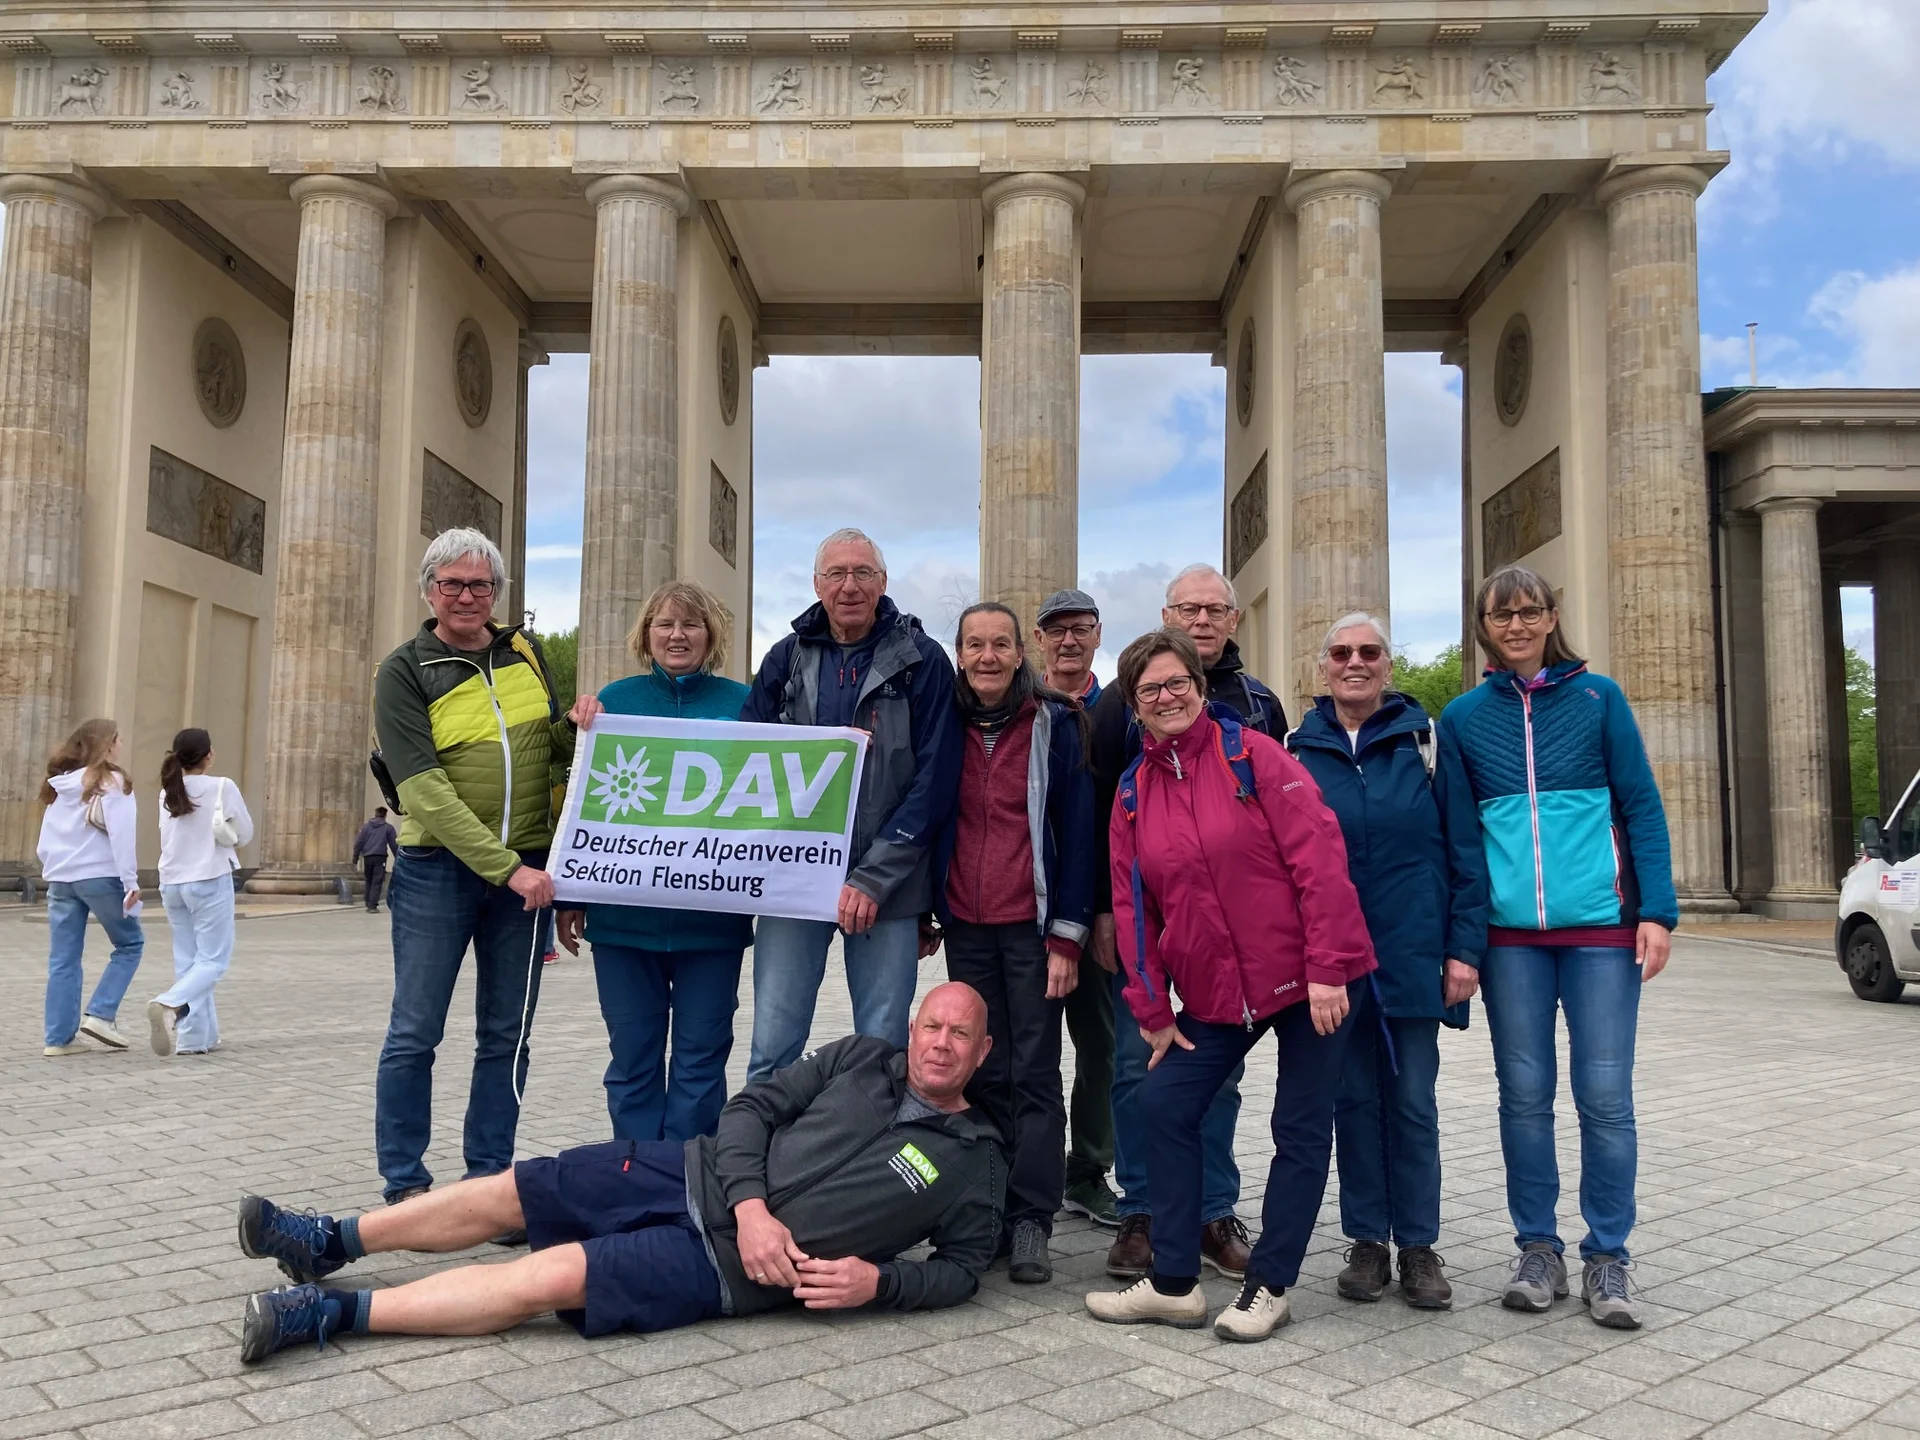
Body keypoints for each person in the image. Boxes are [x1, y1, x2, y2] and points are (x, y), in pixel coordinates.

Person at [232, 984, 1005, 1363]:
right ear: (913, 1028)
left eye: (958, 1034)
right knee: (517, 1192)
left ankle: (330, 1314)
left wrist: (881, 1286)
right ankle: (326, 1238)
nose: (940, 1043)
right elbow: (748, 1113)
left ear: (981, 1051)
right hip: (686, 1174)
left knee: (550, 1276)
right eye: (931, 1025)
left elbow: (966, 1270)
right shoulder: (860, 1057)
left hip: (723, 1272)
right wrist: (751, 1206)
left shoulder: (973, 1157)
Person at [1085, 629, 1374, 1341]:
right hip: (1219, 992)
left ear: (1200, 686)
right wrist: (1151, 1009)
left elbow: (1319, 857)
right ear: (1136, 707)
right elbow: (1134, 908)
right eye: (1150, 690)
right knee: (1164, 1102)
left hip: (1312, 976)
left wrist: (1330, 966)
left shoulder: (1254, 754)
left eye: (1177, 682)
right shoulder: (1131, 793)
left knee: (1299, 1127)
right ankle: (1177, 1282)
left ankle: (1270, 1284)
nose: (1166, 697)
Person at [1440, 564, 1677, 1331]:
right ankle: (1537, 1249)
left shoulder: (1598, 699)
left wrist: (1658, 911)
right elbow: (1461, 845)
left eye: (1528, 611)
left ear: (1551, 616)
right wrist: (1464, 942)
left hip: (1603, 933)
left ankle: (1608, 1256)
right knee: (1524, 1097)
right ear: (1483, 625)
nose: (1515, 625)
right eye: (1500, 615)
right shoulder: (1465, 717)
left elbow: (1640, 805)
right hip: (1511, 941)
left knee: (1606, 1099)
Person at [371, 528, 602, 1207]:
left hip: (525, 872)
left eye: (480, 585)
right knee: (416, 1031)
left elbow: (552, 754)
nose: (467, 596)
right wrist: (508, 869)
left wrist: (581, 723)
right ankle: (406, 1186)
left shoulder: (523, 655)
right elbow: (422, 791)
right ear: (428, 591)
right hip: (441, 871)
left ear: (498, 594)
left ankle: (488, 1183)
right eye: (452, 584)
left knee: (508, 1034)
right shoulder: (405, 669)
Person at [1086, 563, 1287, 1282]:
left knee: (1219, 1071)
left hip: (1227, 927)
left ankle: (1212, 1211)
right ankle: (1142, 1206)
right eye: (1187, 609)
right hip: (1143, 911)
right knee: (1139, 1062)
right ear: (1167, 613)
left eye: (1215, 609)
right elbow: (1097, 810)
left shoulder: (1260, 705)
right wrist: (1104, 910)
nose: (1201, 620)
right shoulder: (1120, 701)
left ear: (1236, 619)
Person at [1283, 615, 1488, 1310]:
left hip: (1410, 953)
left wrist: (1464, 949)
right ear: (1323, 669)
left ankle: (1420, 1245)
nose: (1355, 663)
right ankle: (1368, 1240)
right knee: (1352, 1101)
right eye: (1341, 653)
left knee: (1412, 1102)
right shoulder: (1296, 750)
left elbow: (1465, 849)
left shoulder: (1427, 742)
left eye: (1369, 652)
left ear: (1388, 665)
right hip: (1334, 964)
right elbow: (1286, 867)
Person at [739, 528, 961, 1081]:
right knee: (772, 1044)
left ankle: (870, 1162)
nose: (849, 585)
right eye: (836, 574)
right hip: (795, 880)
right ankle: (754, 1160)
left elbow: (934, 781)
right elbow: (747, 761)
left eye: (863, 573)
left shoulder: (923, 660)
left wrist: (873, 878)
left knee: (882, 1049)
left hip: (889, 884)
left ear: (883, 582)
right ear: (817, 585)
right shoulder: (784, 658)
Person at [931, 602, 1095, 1284]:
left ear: (1019, 651)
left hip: (1033, 928)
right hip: (967, 924)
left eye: (1000, 643)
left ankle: (1031, 1218)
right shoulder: (943, 720)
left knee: (1032, 1071)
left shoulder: (1056, 722)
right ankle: (986, 1209)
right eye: (975, 645)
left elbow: (1080, 831)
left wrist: (1068, 936)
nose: (989, 656)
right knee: (979, 1071)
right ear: (960, 653)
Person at [554, 579, 752, 1143]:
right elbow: (580, 804)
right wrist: (571, 892)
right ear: (646, 634)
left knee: (702, 1060)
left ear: (711, 633)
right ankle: (634, 1175)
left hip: (712, 926)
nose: (677, 634)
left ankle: (684, 1183)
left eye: (691, 623)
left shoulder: (743, 705)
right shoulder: (612, 702)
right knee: (633, 1061)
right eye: (664, 624)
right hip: (624, 923)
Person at [1033, 588, 1119, 1228]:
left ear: (1097, 636)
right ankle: (1020, 1171)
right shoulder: (1014, 707)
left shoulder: (1120, 709)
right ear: (1039, 640)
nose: (1068, 640)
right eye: (1056, 630)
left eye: (1080, 629)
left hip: (1100, 913)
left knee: (1102, 1048)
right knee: (1021, 1052)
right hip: (1022, 910)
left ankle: (1088, 1169)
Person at [37, 718, 144, 1057]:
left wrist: (52, 867)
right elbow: (123, 836)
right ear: (108, 744)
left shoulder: (58, 784)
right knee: (130, 944)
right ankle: (101, 1014)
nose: (121, 743)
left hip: (60, 878)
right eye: (118, 738)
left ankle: (57, 1039)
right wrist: (131, 881)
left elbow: (46, 839)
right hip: (100, 875)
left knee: (63, 958)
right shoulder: (111, 781)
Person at [147, 728, 255, 1057]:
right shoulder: (222, 786)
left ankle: (195, 1039)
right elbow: (245, 833)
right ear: (208, 755)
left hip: (172, 882)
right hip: (209, 877)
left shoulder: (167, 791)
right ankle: (171, 1004)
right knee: (213, 961)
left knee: (189, 961)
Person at [353, 807, 398, 912]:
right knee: (377, 880)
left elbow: (358, 842)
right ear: (385, 815)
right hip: (380, 857)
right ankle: (372, 905)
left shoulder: (365, 827)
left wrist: (355, 857)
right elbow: (394, 844)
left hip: (367, 857)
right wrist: (398, 858)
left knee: (368, 879)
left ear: (375, 814)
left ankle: (368, 902)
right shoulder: (388, 828)